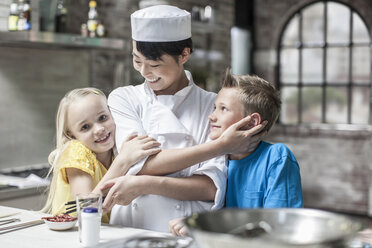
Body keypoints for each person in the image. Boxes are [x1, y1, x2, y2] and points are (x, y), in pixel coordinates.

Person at [101, 5, 267, 232]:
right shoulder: (124, 98)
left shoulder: (213, 105)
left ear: (184, 54)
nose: (144, 72)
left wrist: (142, 182)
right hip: (130, 226)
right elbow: (138, 166)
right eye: (137, 60)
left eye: (155, 64)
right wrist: (220, 146)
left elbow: (210, 187)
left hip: (183, 230)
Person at [169, 69, 303, 236]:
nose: (211, 116)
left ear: (252, 122)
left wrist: (202, 226)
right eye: (214, 107)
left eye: (223, 109)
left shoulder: (276, 158)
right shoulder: (216, 159)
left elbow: (279, 227)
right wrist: (193, 224)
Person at [41, 88, 161, 223]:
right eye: (85, 127)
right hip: (73, 235)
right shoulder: (75, 152)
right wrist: (122, 161)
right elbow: (86, 207)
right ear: (71, 135)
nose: (99, 129)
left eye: (103, 118)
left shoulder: (117, 149)